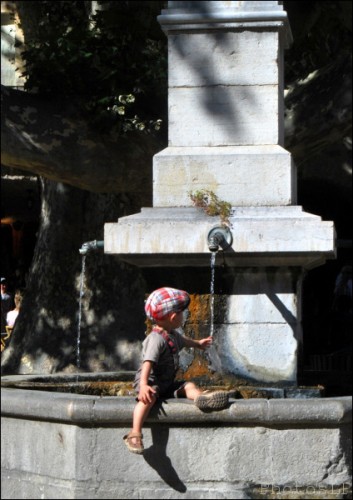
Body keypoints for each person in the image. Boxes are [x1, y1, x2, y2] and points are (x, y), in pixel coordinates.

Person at [123, 287, 229, 455]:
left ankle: (201, 397)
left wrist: (198, 344)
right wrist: (143, 385)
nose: (184, 316)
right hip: (151, 382)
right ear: (173, 317)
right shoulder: (155, 339)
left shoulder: (172, 334)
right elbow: (147, 363)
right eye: (182, 313)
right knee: (147, 400)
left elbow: (185, 341)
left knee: (188, 385)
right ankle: (135, 433)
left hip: (166, 383)